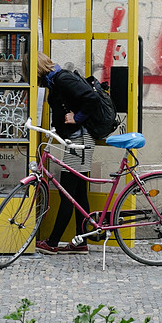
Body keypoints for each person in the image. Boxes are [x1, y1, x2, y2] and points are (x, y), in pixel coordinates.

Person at [29, 51, 103, 255]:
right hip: (76, 140)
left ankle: (53, 242)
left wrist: (77, 117)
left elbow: (91, 98)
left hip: (80, 140)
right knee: (78, 194)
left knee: (67, 193)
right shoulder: (56, 81)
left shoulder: (63, 79)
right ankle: (82, 241)